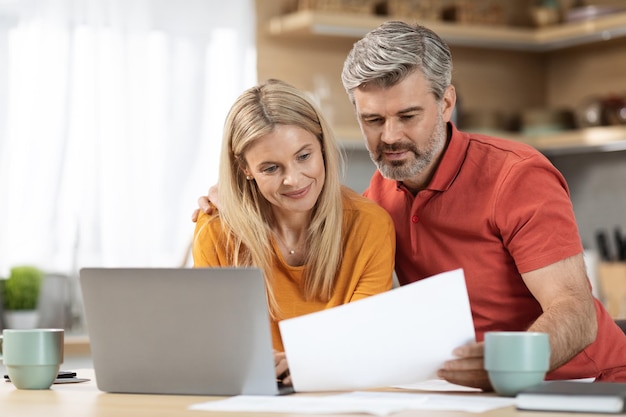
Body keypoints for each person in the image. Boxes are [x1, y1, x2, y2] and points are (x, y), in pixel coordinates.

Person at [195, 21, 626, 389]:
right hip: (473, 391)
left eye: (408, 116)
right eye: (373, 120)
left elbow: (576, 312)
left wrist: (507, 365)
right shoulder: (379, 198)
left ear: (447, 104)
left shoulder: (517, 177)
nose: (390, 137)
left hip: (584, 384)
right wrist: (234, 193)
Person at [192, 79, 396, 383]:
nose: (294, 180)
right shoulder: (216, 232)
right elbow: (214, 348)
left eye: (304, 156)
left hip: (338, 394)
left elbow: (361, 344)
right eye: (271, 168)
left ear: (322, 145)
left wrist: (303, 364)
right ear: (245, 169)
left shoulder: (370, 226)